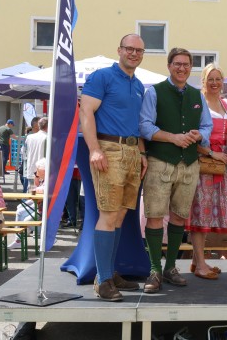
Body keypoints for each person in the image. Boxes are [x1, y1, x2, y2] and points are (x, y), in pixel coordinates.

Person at [80, 33, 148, 302]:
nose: (134, 54)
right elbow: (86, 112)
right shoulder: (102, 77)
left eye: (139, 51)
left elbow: (138, 123)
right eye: (129, 49)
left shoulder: (139, 84)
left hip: (131, 151)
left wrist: (141, 152)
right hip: (109, 150)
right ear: (119, 50)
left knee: (119, 216)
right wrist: (94, 149)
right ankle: (103, 280)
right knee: (108, 215)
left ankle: (109, 272)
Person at [140, 47, 212, 290]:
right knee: (155, 216)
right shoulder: (154, 92)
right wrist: (173, 137)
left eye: (186, 64)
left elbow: (207, 126)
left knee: (180, 215)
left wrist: (198, 135)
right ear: (169, 66)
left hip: (189, 164)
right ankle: (154, 270)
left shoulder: (197, 95)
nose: (182, 68)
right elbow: (145, 126)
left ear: (191, 68)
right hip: (160, 161)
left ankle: (170, 267)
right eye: (177, 64)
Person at [187, 63, 227, 280]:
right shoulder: (197, 103)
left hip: (223, 164)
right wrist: (211, 153)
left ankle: (197, 261)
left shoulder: (226, 104)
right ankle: (200, 265)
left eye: (218, 79)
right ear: (203, 82)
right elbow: (191, 136)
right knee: (201, 214)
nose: (215, 83)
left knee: (211, 213)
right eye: (211, 79)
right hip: (204, 164)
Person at [24, 117, 48, 192]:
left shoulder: (29, 137)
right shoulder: (47, 138)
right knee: (41, 199)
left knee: (31, 195)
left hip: (31, 169)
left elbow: (25, 152)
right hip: (42, 172)